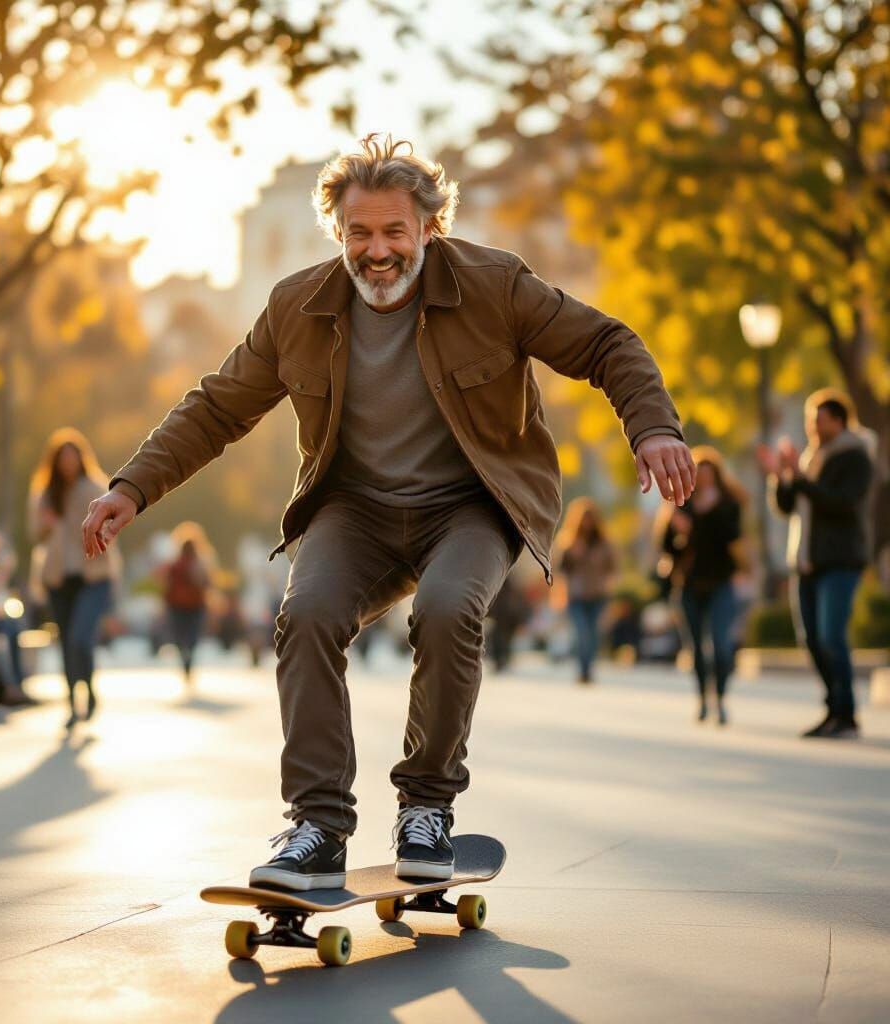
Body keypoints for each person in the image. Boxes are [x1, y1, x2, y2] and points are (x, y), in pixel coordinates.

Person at [82, 134, 694, 890]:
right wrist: (130, 486)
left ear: (429, 229)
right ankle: (317, 824)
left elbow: (607, 343)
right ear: (338, 234)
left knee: (444, 610)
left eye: (394, 233)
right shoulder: (296, 307)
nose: (377, 252)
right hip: (355, 510)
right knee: (304, 618)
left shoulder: (495, 285)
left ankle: (427, 806)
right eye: (359, 234)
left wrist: (654, 427)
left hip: (473, 504)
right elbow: (217, 408)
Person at [759, 389, 875, 739]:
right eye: (810, 419)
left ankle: (847, 713)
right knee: (810, 638)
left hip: (840, 560)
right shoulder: (811, 458)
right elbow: (786, 506)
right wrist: (782, 475)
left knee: (830, 636)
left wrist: (801, 477)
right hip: (806, 561)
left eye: (818, 419)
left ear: (839, 421)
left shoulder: (856, 457)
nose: (812, 426)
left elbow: (843, 503)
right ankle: (832, 709)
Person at [29, 428, 121, 729]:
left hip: (93, 575)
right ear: (54, 462)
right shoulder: (45, 494)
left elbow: (111, 526)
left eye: (72, 457)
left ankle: (89, 689)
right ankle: (72, 703)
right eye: (62, 458)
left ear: (81, 459)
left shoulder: (96, 487)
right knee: (67, 641)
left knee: (81, 638)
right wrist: (46, 524)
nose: (68, 463)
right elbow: (35, 535)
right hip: (57, 577)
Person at [658, 447, 746, 725]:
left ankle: (719, 697)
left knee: (720, 645)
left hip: (720, 582)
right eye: (701, 474)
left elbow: (732, 537)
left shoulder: (729, 503)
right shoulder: (682, 501)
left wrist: (708, 513)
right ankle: (702, 700)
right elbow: (666, 547)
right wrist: (678, 530)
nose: (705, 479)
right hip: (688, 584)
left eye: (710, 475)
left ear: (717, 476)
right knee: (696, 647)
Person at [556, 498, 617, 684]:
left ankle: (588, 669)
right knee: (582, 632)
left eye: (590, 519)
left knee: (593, 634)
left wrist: (608, 583)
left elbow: (612, 568)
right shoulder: (569, 542)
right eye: (584, 519)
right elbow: (560, 569)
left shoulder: (604, 543)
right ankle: (583, 670)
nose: (587, 523)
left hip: (598, 595)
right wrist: (573, 555)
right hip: (576, 596)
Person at [161, 521, 215, 682]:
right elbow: (208, 584)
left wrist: (165, 604)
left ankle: (185, 658)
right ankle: (188, 658)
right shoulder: (201, 563)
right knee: (192, 636)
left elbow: (166, 585)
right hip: (196, 606)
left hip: (176, 606)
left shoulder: (174, 563)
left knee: (179, 637)